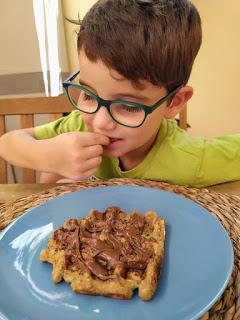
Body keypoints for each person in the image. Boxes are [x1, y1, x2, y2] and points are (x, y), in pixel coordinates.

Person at [0, 0, 239, 187]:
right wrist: (46, 155)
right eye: (88, 95)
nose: (101, 123)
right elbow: (8, 143)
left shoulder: (189, 160)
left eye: (129, 106)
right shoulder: (79, 126)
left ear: (173, 103)